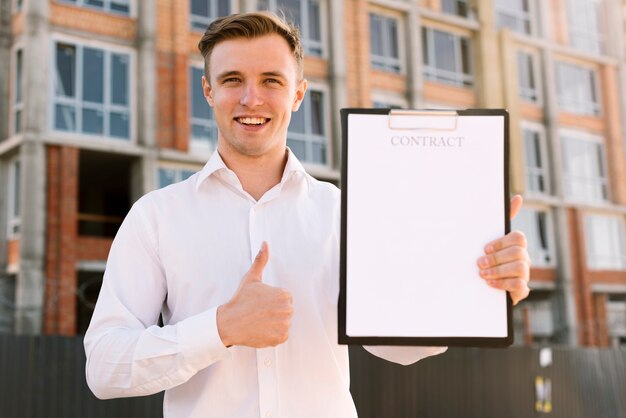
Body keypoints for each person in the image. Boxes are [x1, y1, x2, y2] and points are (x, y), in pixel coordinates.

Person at [84, 12, 531, 417]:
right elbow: (104, 367)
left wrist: (481, 287)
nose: (251, 99)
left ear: (298, 93)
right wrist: (222, 327)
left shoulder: (344, 213)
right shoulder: (157, 217)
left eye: (272, 81)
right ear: (209, 91)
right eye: (233, 79)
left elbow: (400, 343)